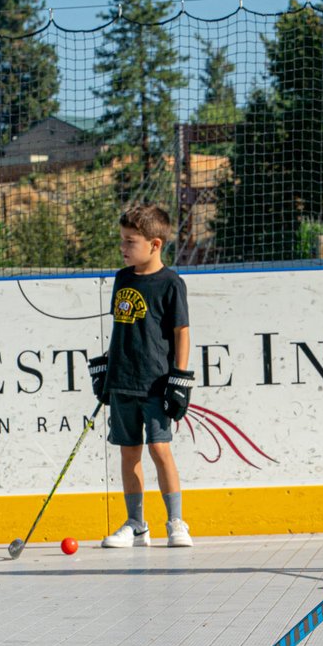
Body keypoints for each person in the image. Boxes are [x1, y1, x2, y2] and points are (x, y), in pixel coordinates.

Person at [89, 204, 196, 548]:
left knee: (160, 448)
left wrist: (178, 378)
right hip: (123, 381)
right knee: (128, 452)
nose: (123, 247)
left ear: (155, 244)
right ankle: (136, 524)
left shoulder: (171, 283)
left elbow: (181, 331)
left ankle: (176, 521)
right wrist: (107, 367)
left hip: (155, 382)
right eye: (122, 240)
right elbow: (123, 329)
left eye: (130, 241)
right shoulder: (122, 278)